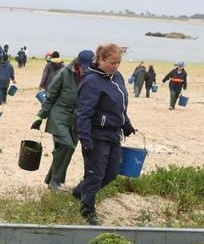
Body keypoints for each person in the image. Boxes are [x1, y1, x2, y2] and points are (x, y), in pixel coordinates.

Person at [73, 43, 137, 225]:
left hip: (114, 133)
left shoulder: (117, 77)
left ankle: (80, 191)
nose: (115, 66)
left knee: (112, 173)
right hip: (96, 134)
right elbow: (83, 113)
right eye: (112, 62)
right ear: (100, 60)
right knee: (95, 174)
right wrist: (85, 140)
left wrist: (126, 124)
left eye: (118, 62)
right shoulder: (91, 81)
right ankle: (87, 211)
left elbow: (120, 106)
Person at [31, 50, 94, 192]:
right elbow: (50, 96)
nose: (84, 70)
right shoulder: (65, 73)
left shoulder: (91, 76)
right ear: (78, 63)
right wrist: (40, 116)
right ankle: (55, 181)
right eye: (82, 67)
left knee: (66, 150)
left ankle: (53, 180)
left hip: (76, 118)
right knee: (66, 145)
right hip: (58, 114)